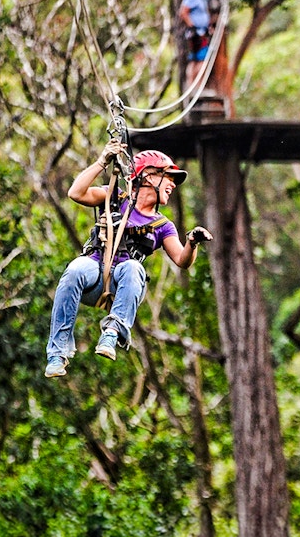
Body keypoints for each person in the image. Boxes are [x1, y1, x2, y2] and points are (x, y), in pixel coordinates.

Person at [45, 144, 213, 377]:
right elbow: (76, 193)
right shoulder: (115, 197)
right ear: (148, 176)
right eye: (168, 177)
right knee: (74, 269)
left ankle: (113, 331)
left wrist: (192, 242)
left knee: (133, 267)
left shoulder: (163, 226)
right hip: (94, 271)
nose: (173, 185)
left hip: (122, 285)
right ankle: (57, 353)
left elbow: (182, 261)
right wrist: (102, 161)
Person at [180, 0, 222, 88]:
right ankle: (195, 87)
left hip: (201, 32)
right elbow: (183, 12)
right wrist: (193, 28)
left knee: (196, 60)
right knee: (201, 61)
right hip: (196, 34)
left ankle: (193, 87)